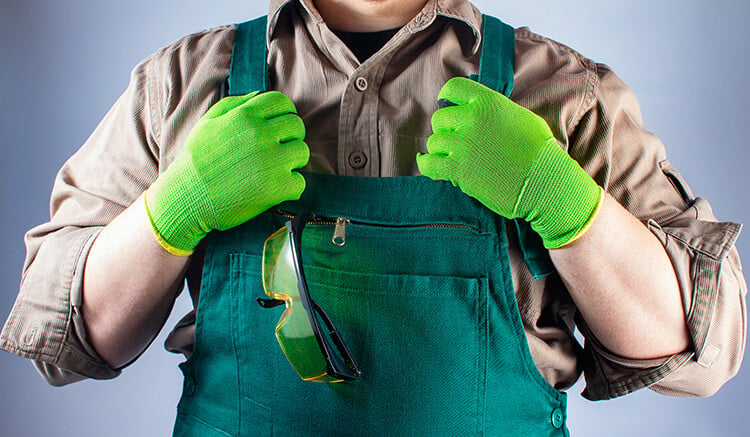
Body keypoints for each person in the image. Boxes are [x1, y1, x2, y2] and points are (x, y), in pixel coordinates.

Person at [1, 0, 745, 434]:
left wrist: (561, 198)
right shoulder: (182, 85)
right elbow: (60, 341)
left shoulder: (563, 93)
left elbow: (702, 354)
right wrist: (177, 207)